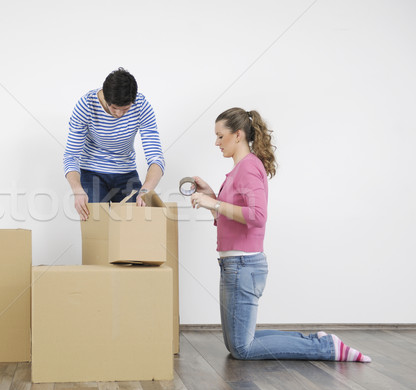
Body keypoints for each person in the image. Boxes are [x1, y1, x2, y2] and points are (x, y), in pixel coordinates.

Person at [190, 107, 371, 362]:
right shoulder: (237, 170)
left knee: (242, 348)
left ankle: (328, 348)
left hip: (243, 266)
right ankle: (315, 341)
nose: (216, 142)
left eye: (220, 136)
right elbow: (231, 219)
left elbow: (257, 216)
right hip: (233, 264)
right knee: (236, 345)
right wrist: (212, 198)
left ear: (238, 134)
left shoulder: (248, 168)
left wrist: (216, 204)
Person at [63, 68, 165, 220]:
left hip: (126, 172)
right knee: (96, 226)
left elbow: (156, 158)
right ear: (105, 96)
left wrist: (146, 190)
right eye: (114, 108)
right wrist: (77, 190)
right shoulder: (86, 105)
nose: (119, 114)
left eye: (125, 109)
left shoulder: (142, 106)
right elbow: (71, 156)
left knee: (134, 223)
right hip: (92, 172)